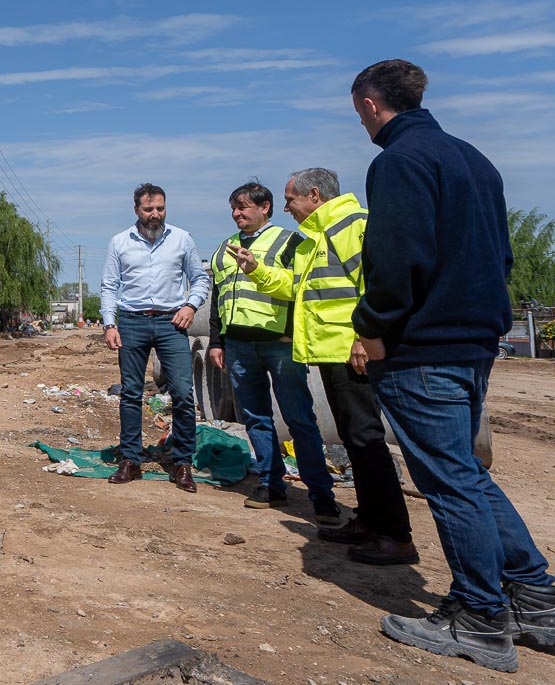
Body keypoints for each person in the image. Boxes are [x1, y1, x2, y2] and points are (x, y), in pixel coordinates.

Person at [349, 59, 555, 672]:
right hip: (473, 340)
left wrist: (372, 327)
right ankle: (537, 598)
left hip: (421, 347)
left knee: (450, 481)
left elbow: (396, 259)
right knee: (468, 475)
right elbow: (499, 255)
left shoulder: (398, 161)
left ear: (370, 105)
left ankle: (479, 618)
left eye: (357, 112)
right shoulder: (474, 159)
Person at [228, 168, 417, 566]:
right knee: (354, 438)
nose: (286, 208)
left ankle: (395, 535)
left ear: (314, 195)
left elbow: (376, 286)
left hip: (353, 353)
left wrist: (362, 339)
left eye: (290, 199)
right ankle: (368, 521)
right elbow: (295, 288)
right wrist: (255, 269)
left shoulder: (353, 225)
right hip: (329, 353)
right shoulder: (311, 238)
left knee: (366, 439)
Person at [209, 182, 341, 524]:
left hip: (279, 344)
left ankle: (321, 493)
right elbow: (219, 298)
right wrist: (216, 341)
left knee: (299, 418)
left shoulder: (288, 241)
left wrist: (294, 335)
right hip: (238, 344)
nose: (237, 213)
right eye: (234, 208)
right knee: (255, 417)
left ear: (264, 207)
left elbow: (301, 289)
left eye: (243, 207)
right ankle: (271, 484)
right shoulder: (226, 247)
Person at [99, 183, 211, 491]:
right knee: (131, 394)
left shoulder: (181, 239)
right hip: (132, 323)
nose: (155, 215)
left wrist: (191, 305)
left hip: (171, 323)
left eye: (160, 208)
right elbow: (109, 286)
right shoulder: (120, 242)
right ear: (136, 209)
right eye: (148, 209)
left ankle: (182, 463)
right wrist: (110, 324)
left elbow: (199, 278)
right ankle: (131, 461)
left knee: (184, 394)